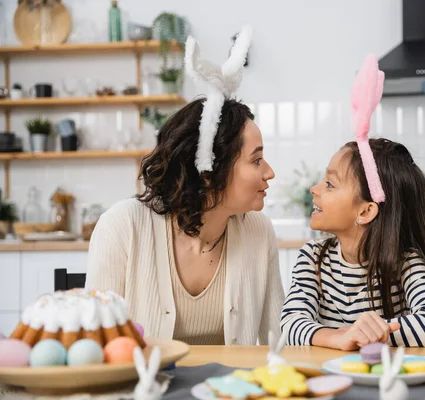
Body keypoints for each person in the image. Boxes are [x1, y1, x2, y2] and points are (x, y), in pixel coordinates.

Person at [86, 27, 284, 346]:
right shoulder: (122, 227)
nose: (270, 172)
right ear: (209, 171)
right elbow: (94, 344)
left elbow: (280, 340)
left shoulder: (259, 232)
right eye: (256, 160)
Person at [280, 55, 425, 350]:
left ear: (366, 210)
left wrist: (375, 332)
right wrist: (341, 337)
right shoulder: (313, 258)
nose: (315, 189)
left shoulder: (404, 262)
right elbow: (291, 324)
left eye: (330, 184)